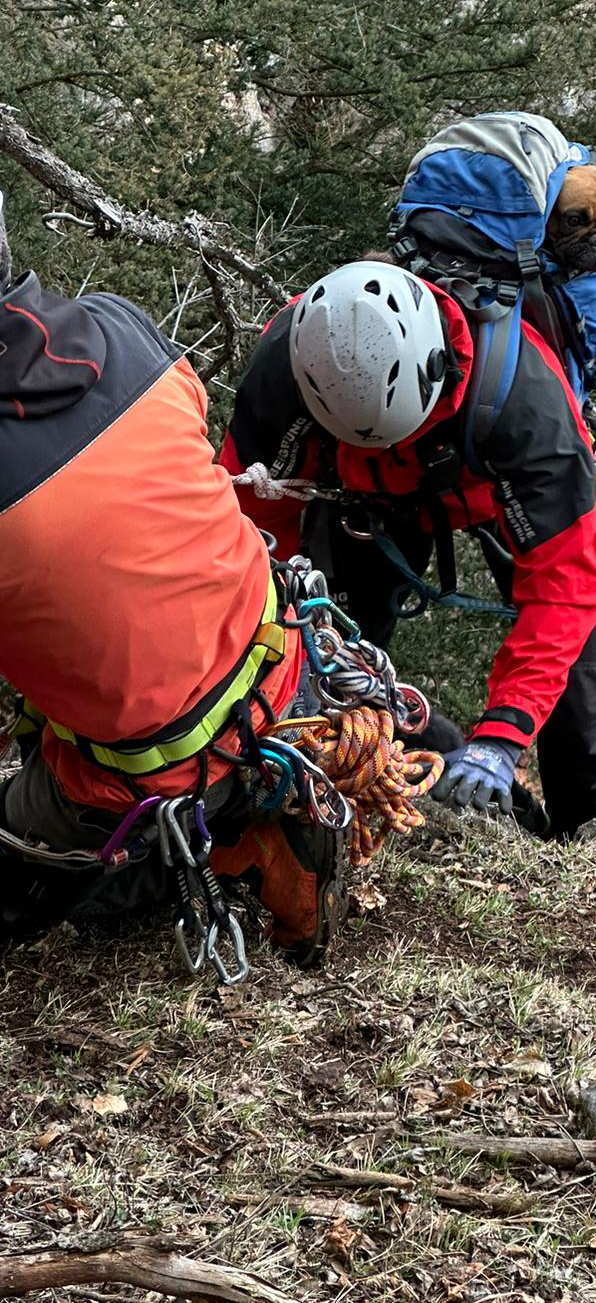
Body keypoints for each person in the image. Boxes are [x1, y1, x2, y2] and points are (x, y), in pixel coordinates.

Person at [0, 199, 346, 968]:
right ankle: (256, 812)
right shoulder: (121, 332)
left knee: (34, 866)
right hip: (290, 676)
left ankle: (215, 843)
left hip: (151, 772)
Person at [220, 259, 596, 839]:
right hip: (367, 501)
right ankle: (437, 778)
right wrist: (283, 639)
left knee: (570, 681)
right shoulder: (291, 365)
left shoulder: (528, 409)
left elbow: (566, 590)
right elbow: (250, 516)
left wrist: (503, 734)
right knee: (348, 669)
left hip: (492, 486)